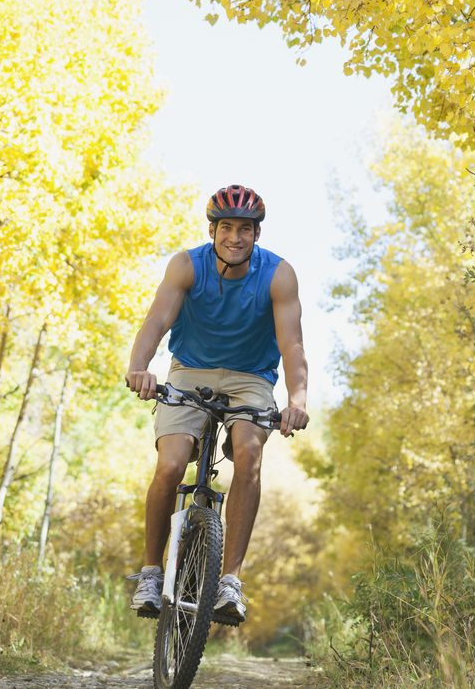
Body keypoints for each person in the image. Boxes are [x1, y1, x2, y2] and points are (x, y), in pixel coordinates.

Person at [123, 184, 309, 622]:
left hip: (251, 379)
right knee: (171, 464)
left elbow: (293, 346)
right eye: (226, 227)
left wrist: (296, 399)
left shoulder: (278, 275)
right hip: (190, 371)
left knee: (248, 455)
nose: (235, 237)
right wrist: (140, 366)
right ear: (212, 230)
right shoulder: (187, 265)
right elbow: (157, 321)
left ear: (256, 235)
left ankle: (230, 584)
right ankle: (151, 572)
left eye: (245, 229)